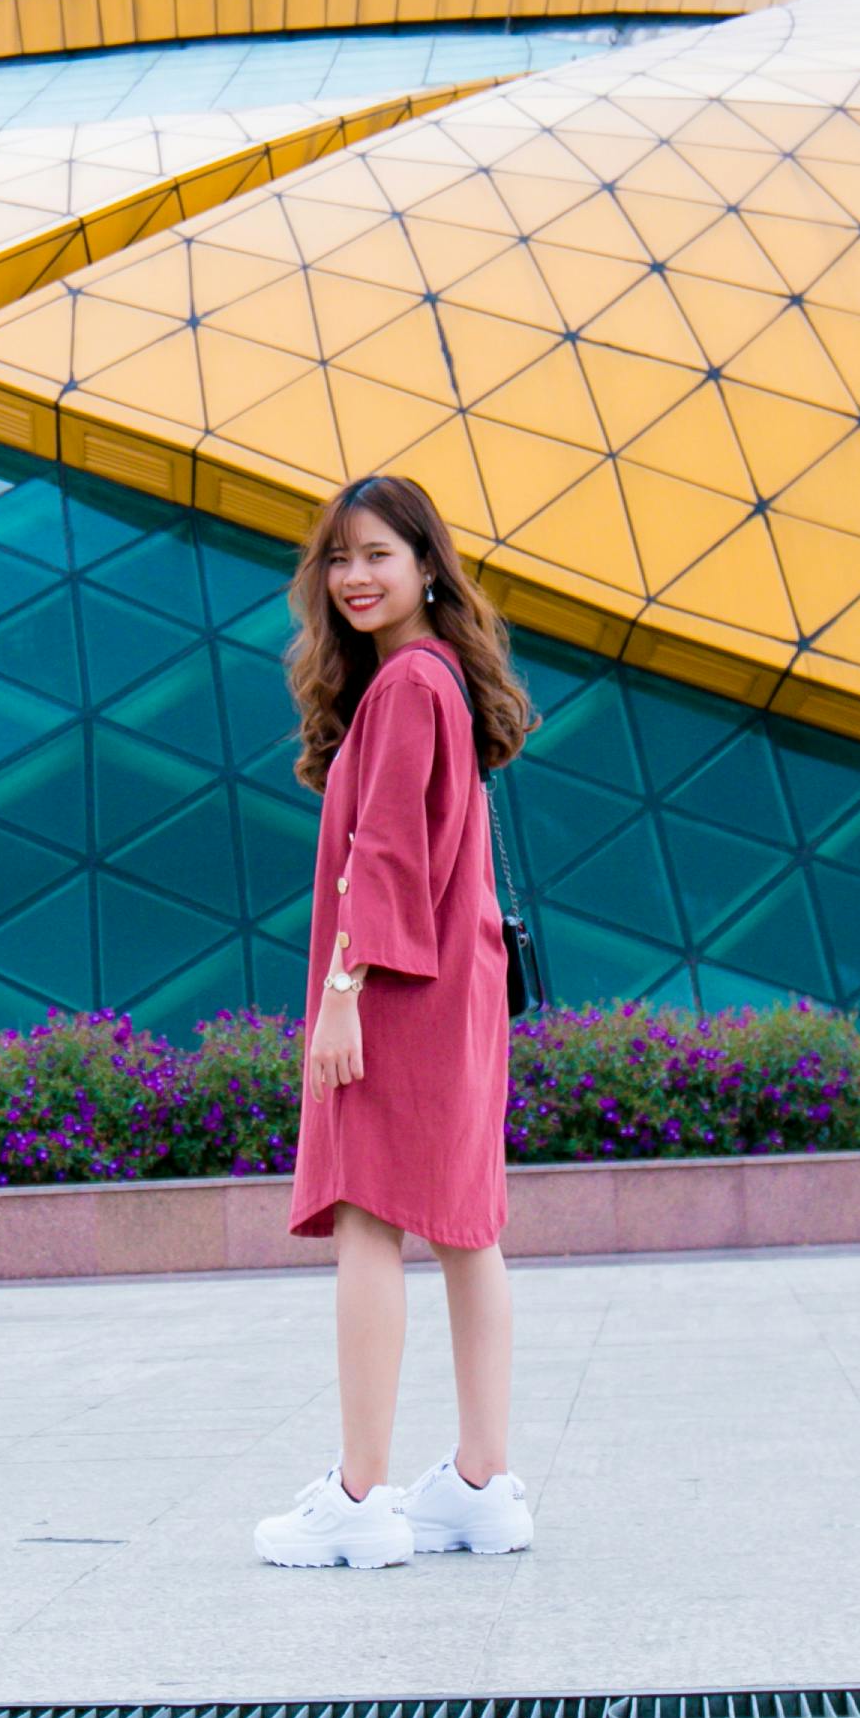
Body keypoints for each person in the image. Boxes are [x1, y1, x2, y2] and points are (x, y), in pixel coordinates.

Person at [254, 473, 542, 1570]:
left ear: (428, 565)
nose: (356, 576)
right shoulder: (440, 680)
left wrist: (340, 994)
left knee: (370, 1221)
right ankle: (480, 1483)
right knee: (467, 1227)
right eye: (340, 558)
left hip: (395, 994)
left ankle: (362, 1498)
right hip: (453, 990)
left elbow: (382, 856)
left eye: (378, 553)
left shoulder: (409, 687)